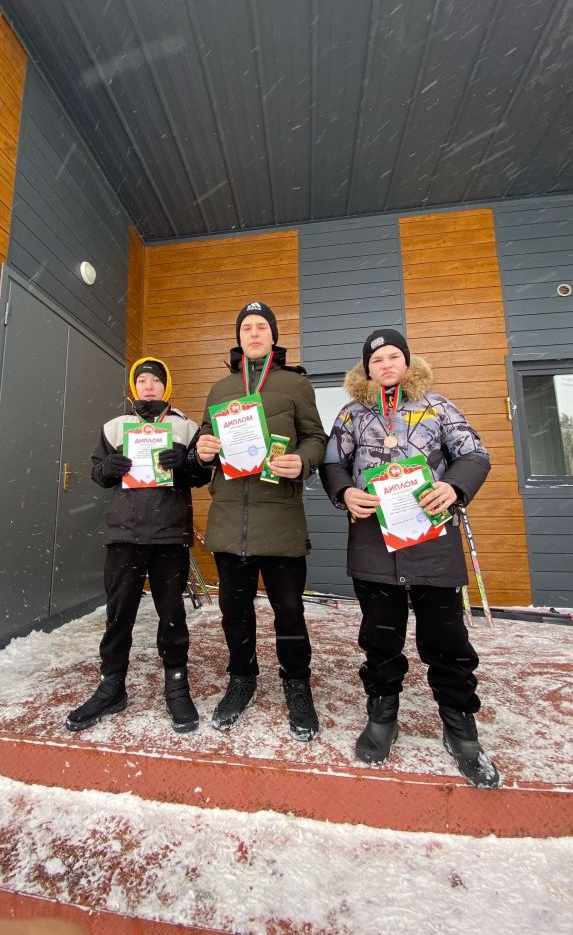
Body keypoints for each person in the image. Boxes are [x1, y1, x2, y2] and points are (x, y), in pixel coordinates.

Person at [320, 328, 500, 788]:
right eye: (375, 359)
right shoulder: (351, 414)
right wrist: (344, 491)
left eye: (393, 356)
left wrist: (454, 486)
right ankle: (383, 715)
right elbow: (332, 463)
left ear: (407, 362)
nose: (385, 364)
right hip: (374, 543)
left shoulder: (437, 406)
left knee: (447, 641)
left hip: (431, 541)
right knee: (380, 639)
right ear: (366, 369)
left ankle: (460, 725)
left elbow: (475, 454)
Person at [190, 301, 327, 742]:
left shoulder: (294, 384)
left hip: (281, 519)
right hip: (231, 520)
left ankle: (296, 685)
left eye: (261, 327)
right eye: (247, 328)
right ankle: (242, 679)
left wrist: (301, 462)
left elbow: (316, 438)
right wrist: (202, 451)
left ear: (272, 337)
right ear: (239, 337)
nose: (254, 334)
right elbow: (202, 448)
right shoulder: (219, 389)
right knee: (234, 611)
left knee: (289, 611)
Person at [66, 357, 210, 735]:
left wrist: (187, 463)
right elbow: (97, 472)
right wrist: (107, 469)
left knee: (172, 614)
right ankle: (112, 685)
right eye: (142, 380)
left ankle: (176, 684)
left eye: (155, 381)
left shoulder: (185, 425)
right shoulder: (115, 427)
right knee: (118, 615)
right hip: (124, 534)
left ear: (166, 386)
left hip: (168, 534)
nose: (148, 386)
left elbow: (201, 474)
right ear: (133, 387)